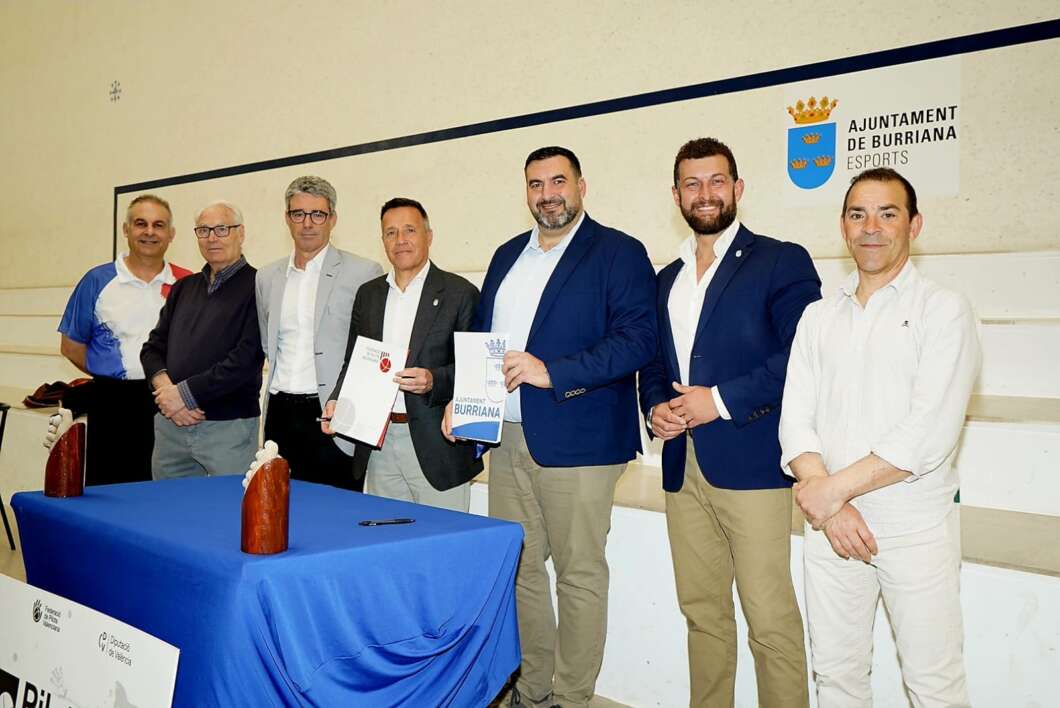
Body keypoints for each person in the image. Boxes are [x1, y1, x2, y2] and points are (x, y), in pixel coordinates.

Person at [445, 146, 657, 708]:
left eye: (558, 181)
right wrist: (465, 403)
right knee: (520, 571)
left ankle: (572, 698)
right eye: (536, 184)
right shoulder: (506, 255)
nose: (547, 194)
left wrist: (553, 372)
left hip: (581, 441)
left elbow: (638, 340)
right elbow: (485, 342)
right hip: (509, 439)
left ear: (581, 186)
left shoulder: (618, 252)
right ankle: (532, 690)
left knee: (577, 575)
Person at [780, 167, 979, 707]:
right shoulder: (817, 317)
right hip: (831, 528)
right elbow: (795, 418)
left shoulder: (944, 310)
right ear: (843, 226)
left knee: (934, 684)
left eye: (887, 214)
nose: (871, 227)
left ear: (914, 226)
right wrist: (831, 504)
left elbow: (928, 433)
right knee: (836, 678)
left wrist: (831, 491)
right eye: (858, 214)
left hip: (914, 527)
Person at [639, 137, 819, 708]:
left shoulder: (780, 260)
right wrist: (655, 407)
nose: (705, 193)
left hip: (752, 465)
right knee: (702, 614)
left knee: (769, 620)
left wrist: (717, 401)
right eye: (691, 183)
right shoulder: (665, 278)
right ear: (676, 196)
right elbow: (654, 362)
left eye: (717, 181)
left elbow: (802, 355)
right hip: (682, 467)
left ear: (738, 187)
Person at [322, 197, 481, 510]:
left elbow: (475, 371)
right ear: (382, 240)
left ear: (428, 236)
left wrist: (434, 380)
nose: (400, 240)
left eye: (410, 230)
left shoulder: (460, 293)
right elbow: (353, 360)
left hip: (438, 445)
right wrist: (337, 399)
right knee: (386, 534)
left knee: (442, 537)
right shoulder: (368, 295)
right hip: (378, 443)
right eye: (391, 232)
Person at [256, 176, 382, 490]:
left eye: (318, 214)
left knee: (337, 511)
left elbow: (369, 352)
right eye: (298, 213)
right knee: (282, 508)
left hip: (332, 415)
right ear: (287, 218)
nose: (307, 223)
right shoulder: (267, 277)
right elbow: (267, 343)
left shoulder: (363, 272)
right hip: (280, 414)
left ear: (333, 218)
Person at [57, 194, 192, 484]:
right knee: (109, 492)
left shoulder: (187, 283)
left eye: (158, 225)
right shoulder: (96, 281)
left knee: (162, 491)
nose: (149, 232)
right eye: (141, 223)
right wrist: (111, 374)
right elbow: (71, 346)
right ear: (126, 229)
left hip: (167, 404)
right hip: (110, 404)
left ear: (171, 234)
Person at [141, 200, 264, 478]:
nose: (212, 238)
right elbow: (152, 349)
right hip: (170, 425)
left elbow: (245, 360)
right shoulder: (183, 287)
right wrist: (168, 394)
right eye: (204, 230)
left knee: (228, 504)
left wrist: (183, 395)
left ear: (241, 233)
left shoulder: (259, 286)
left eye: (221, 229)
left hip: (228, 428)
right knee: (168, 503)